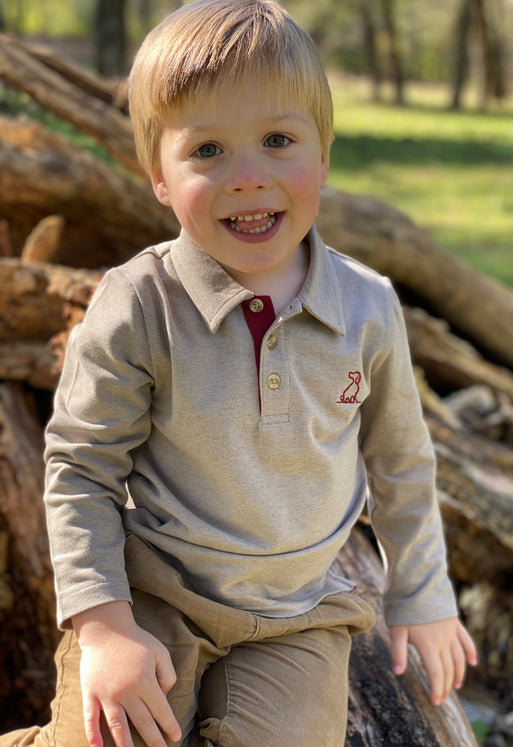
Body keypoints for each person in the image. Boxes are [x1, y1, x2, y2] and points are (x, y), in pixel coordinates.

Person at [1, 1, 477, 745]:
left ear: (323, 156)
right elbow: (82, 466)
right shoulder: (138, 303)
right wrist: (105, 627)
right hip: (157, 588)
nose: (248, 177)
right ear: (158, 175)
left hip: (298, 612)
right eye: (209, 151)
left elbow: (402, 461)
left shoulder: (367, 307)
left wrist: (424, 593)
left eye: (278, 140)